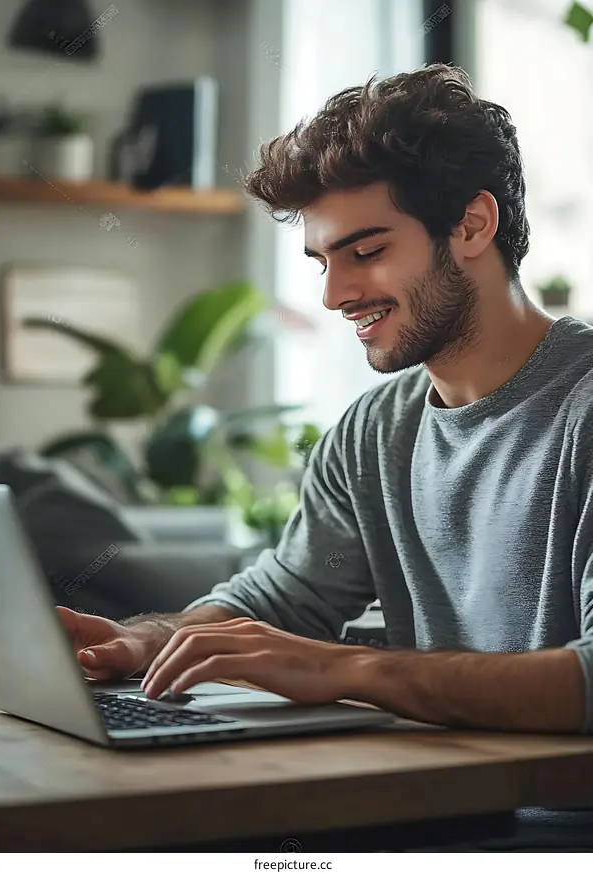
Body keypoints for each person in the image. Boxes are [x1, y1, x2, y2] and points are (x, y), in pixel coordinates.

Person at [59, 63, 593, 850]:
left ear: (473, 225)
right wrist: (145, 640)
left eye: (365, 251)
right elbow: (287, 594)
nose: (335, 294)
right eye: (322, 262)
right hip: (443, 811)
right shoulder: (376, 429)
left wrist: (347, 668)